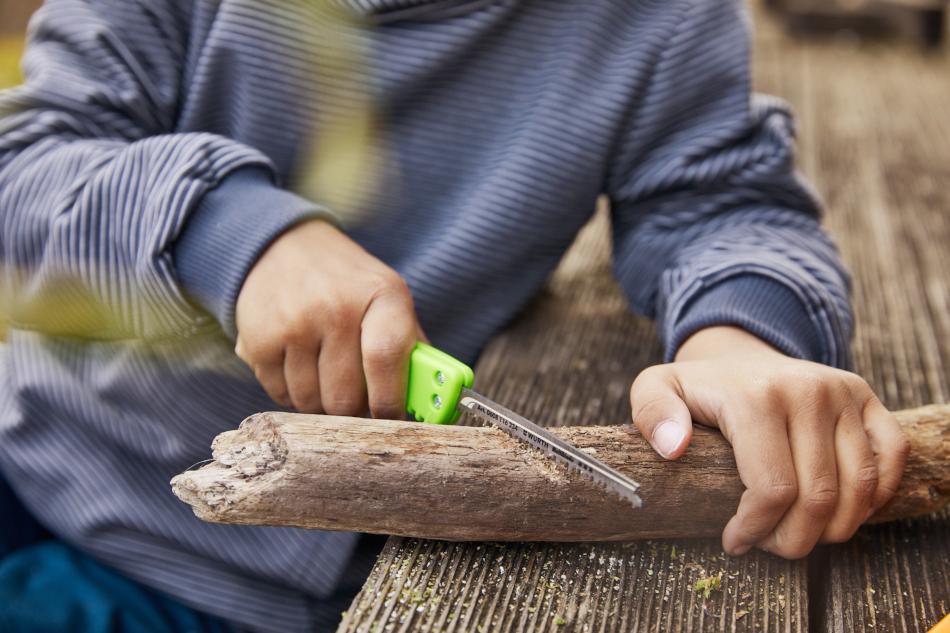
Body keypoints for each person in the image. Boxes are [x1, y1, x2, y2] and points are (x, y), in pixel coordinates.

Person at [0, 0, 909, 631]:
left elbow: (720, 206)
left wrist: (739, 339)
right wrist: (221, 226)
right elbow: (24, 172)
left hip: (241, 573)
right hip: (40, 454)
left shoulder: (655, 21)